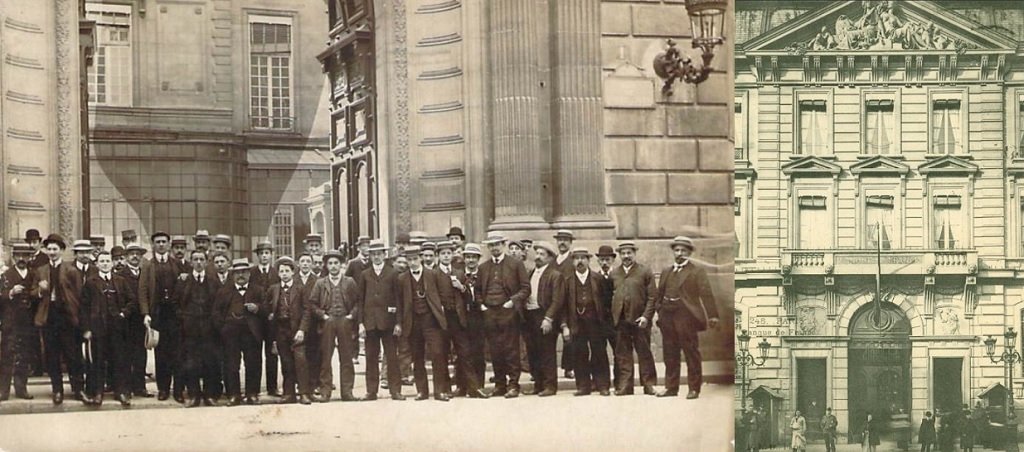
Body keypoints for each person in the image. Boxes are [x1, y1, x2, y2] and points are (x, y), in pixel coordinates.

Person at [655, 236, 720, 399]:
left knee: (691, 352)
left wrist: (713, 315)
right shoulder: (666, 271)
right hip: (667, 317)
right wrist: (660, 311)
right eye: (677, 250)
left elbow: (706, 294)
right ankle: (671, 387)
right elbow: (659, 294)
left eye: (683, 250)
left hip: (686, 317)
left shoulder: (696, 271)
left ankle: (694, 388)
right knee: (670, 353)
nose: (679, 253)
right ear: (673, 252)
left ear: (689, 253)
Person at [34, 235, 89, 405]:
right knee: (52, 356)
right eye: (49, 249)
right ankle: (57, 390)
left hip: (68, 318)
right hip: (49, 318)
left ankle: (78, 389)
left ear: (62, 251)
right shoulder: (41, 271)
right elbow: (32, 293)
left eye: (55, 249)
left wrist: (81, 321)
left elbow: (80, 296)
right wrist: (40, 290)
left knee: (73, 356)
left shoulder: (71, 270)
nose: (52, 252)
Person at [80, 251, 136, 407]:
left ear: (111, 263)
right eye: (102, 261)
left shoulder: (120, 281)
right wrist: (87, 329)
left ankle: (120, 392)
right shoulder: (90, 282)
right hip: (98, 328)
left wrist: (123, 313)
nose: (105, 264)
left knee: (119, 360)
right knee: (98, 361)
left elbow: (132, 301)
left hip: (117, 328)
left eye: (107, 261)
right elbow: (83, 307)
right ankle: (98, 392)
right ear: (97, 264)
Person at [477, 233, 530, 398]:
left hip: (508, 311)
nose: (494, 248)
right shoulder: (483, 267)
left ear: (503, 245)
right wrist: (482, 305)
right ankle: (500, 385)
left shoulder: (515, 264)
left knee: (511, 350)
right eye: (491, 245)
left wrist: (512, 302)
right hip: (490, 313)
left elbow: (525, 288)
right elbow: (478, 290)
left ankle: (513, 385)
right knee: (495, 350)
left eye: (497, 244)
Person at [398, 246, 452, 401]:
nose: (412, 263)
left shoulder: (433, 274)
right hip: (413, 322)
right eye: (409, 260)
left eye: (415, 259)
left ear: (421, 258)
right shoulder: (402, 279)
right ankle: (422, 391)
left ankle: (439, 391)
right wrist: (400, 323)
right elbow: (400, 303)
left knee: (437, 354)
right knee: (417, 356)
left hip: (431, 321)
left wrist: (441, 315)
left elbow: (443, 295)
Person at [139, 231, 186, 402]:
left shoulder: (177, 264)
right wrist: (146, 313)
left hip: (175, 315)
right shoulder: (148, 266)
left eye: (163, 241)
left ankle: (179, 390)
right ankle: (163, 389)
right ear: (153, 245)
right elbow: (143, 291)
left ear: (168, 244)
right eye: (157, 242)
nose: (160, 244)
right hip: (158, 315)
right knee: (161, 355)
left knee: (178, 353)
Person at [308, 250, 359, 402]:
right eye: (330, 263)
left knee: (347, 357)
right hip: (327, 322)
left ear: (341, 265)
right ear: (326, 265)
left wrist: (351, 316)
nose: (333, 266)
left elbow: (357, 302)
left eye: (336, 263)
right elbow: (312, 303)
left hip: (344, 320)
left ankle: (347, 392)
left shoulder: (349, 281)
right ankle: (325, 392)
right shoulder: (320, 283)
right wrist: (323, 316)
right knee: (325, 357)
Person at [356, 240, 404, 401]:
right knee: (371, 357)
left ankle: (395, 390)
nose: (376, 257)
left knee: (392, 357)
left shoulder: (393, 273)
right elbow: (360, 300)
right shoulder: (364, 275)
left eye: (379, 254)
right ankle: (371, 391)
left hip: (389, 322)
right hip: (370, 322)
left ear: (385, 255)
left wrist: (398, 322)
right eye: (373, 254)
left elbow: (398, 299)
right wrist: (361, 323)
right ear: (370, 256)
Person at [213, 258, 265, 406]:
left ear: (249, 273)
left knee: (253, 364)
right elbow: (216, 313)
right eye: (237, 273)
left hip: (252, 333)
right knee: (231, 364)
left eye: (244, 272)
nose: (241, 275)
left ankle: (252, 394)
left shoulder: (258, 290)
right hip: (230, 334)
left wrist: (258, 308)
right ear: (232, 275)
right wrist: (223, 329)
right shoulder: (224, 291)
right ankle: (234, 395)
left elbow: (267, 310)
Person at [610, 241, 657, 396]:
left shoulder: (645, 272)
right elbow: (608, 297)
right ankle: (626, 386)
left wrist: (646, 317)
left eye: (629, 253)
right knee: (623, 354)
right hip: (621, 320)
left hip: (640, 320)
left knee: (644, 352)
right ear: (619, 255)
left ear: (634, 254)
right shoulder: (614, 273)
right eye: (623, 253)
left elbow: (652, 297)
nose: (626, 256)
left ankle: (648, 384)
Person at [174, 250, 220, 407]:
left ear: (207, 262)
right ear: (191, 262)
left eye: (202, 259)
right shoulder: (183, 281)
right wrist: (184, 318)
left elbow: (218, 305)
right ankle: (194, 395)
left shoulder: (213, 281)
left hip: (209, 329)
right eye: (195, 259)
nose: (199, 262)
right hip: (189, 329)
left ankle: (209, 395)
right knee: (191, 362)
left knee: (209, 362)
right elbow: (176, 303)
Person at [564, 247, 610, 396]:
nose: (580, 261)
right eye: (576, 258)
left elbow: (606, 301)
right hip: (576, 322)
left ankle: (602, 385)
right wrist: (565, 325)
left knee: (599, 353)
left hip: (596, 322)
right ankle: (583, 386)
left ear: (589, 260)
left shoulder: (598, 279)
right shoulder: (567, 281)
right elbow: (563, 306)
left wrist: (605, 322)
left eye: (583, 258)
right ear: (572, 262)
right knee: (579, 353)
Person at [521, 241, 565, 397]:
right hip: (530, 316)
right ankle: (538, 385)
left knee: (547, 352)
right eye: (537, 253)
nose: (538, 257)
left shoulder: (555, 275)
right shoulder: (531, 272)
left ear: (550, 258)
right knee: (533, 352)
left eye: (542, 254)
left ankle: (550, 386)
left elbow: (557, 300)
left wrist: (548, 318)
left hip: (544, 316)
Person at [267, 257, 313, 405]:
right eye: (281, 271)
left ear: (293, 272)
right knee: (286, 362)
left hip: (296, 330)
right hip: (280, 330)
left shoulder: (300, 288)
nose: (284, 274)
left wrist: (302, 330)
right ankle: (289, 393)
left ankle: (304, 393)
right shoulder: (273, 289)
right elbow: (268, 307)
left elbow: (307, 310)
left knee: (300, 361)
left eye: (287, 271)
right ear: (278, 274)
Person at [0, 243, 40, 400]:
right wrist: (10, 292)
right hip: (10, 321)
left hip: (28, 321)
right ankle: (3, 390)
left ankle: (21, 388)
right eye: (18, 256)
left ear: (29, 257)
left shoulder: (33, 274)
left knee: (25, 354)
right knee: (7, 354)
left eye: (25, 256)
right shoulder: (6, 275)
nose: (21, 259)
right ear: (13, 257)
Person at [451, 243, 489, 398]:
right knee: (461, 353)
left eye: (474, 257)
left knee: (478, 352)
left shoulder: (484, 274)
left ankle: (478, 385)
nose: (471, 260)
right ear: (464, 259)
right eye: (468, 257)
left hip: (479, 318)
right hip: (462, 318)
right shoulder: (458, 275)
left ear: (478, 259)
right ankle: (461, 386)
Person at [118, 243, 152, 398]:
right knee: (125, 354)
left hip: (141, 319)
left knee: (140, 353)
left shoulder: (145, 273)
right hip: (126, 320)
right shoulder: (120, 274)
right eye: (131, 253)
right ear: (126, 257)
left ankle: (140, 387)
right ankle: (126, 388)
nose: (135, 256)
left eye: (138, 254)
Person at [296, 253, 322, 395]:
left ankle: (314, 383)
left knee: (314, 353)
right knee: (298, 354)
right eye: (302, 261)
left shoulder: (318, 281)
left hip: (314, 322)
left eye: (308, 261)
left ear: (312, 264)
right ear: (298, 264)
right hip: (296, 323)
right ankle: (298, 384)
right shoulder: (293, 279)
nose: (305, 264)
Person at [552, 230, 576, 380]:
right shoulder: (553, 261)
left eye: (565, 240)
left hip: (568, 303)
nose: (562, 242)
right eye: (560, 240)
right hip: (554, 304)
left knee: (570, 337)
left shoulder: (573, 261)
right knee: (549, 339)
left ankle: (569, 368)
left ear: (570, 242)